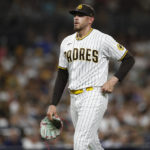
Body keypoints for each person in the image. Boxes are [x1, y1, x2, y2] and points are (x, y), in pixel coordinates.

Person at [47, 4, 135, 150]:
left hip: (94, 94)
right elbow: (62, 74)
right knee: (92, 143)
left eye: (80, 15)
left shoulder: (102, 39)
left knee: (80, 141)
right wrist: (53, 103)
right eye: (75, 15)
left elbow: (129, 59)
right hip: (74, 98)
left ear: (90, 20)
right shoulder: (66, 42)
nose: (76, 18)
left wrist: (113, 80)